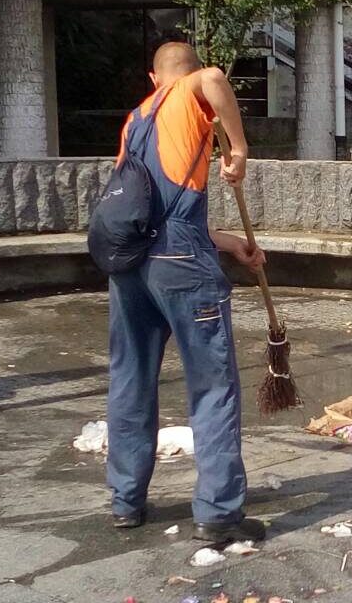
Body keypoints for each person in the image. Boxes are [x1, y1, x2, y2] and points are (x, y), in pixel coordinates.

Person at [106, 41, 268, 543]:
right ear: (179, 77)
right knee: (212, 386)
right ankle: (219, 514)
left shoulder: (134, 121)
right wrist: (238, 150)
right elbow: (217, 78)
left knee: (130, 381)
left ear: (151, 78)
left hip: (129, 264)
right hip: (179, 265)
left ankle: (126, 502)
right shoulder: (189, 90)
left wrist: (228, 243)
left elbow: (154, 215)